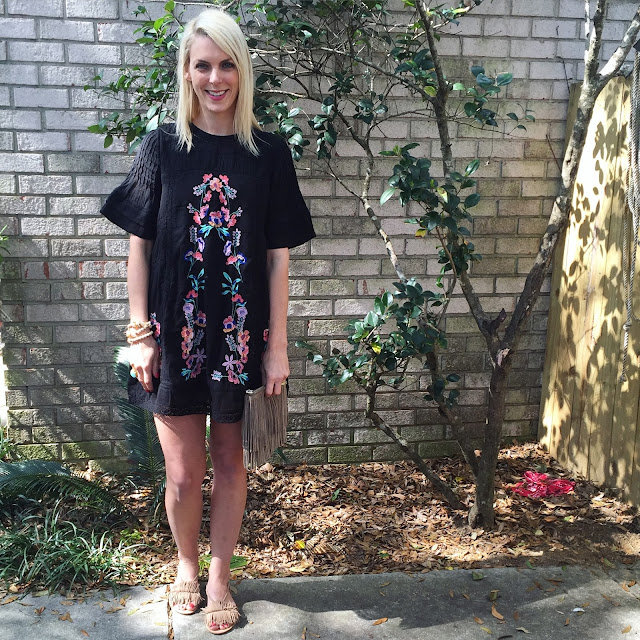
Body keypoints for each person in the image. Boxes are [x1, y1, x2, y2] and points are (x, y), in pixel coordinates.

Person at [101, 8, 315, 635]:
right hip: (173, 336)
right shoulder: (163, 148)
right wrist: (139, 335)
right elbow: (139, 246)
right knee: (181, 472)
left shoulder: (268, 154)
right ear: (187, 72)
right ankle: (186, 568)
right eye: (203, 65)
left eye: (226, 65)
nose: (215, 78)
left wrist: (277, 347)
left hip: (239, 336)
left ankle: (220, 578)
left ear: (241, 70)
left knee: (229, 463)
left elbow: (277, 258)